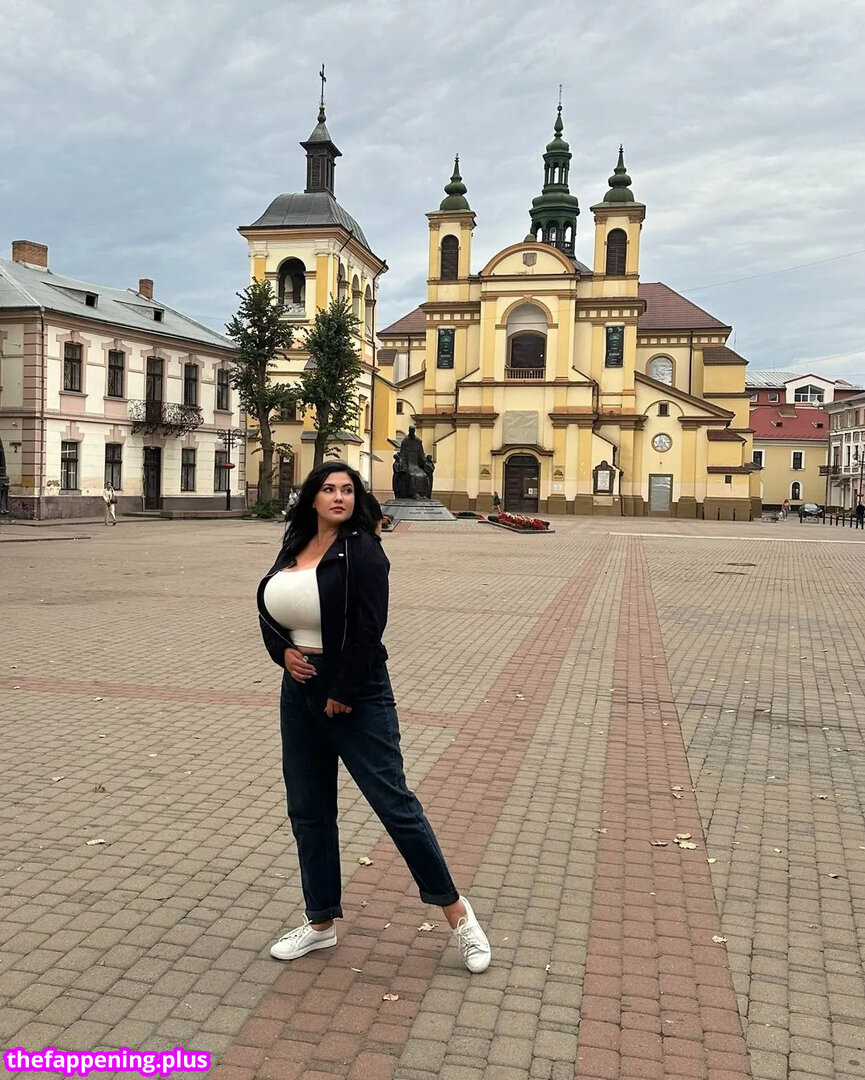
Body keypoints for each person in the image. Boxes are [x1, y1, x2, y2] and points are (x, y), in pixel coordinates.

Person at [256, 462, 491, 972]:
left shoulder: (363, 549)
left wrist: (343, 689)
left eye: (347, 489)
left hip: (355, 694)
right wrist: (282, 654)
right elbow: (269, 611)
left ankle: (458, 915)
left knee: (394, 805)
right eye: (328, 489)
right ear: (313, 498)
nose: (338, 497)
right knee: (309, 810)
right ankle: (320, 923)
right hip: (298, 691)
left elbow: (370, 626)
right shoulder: (295, 545)